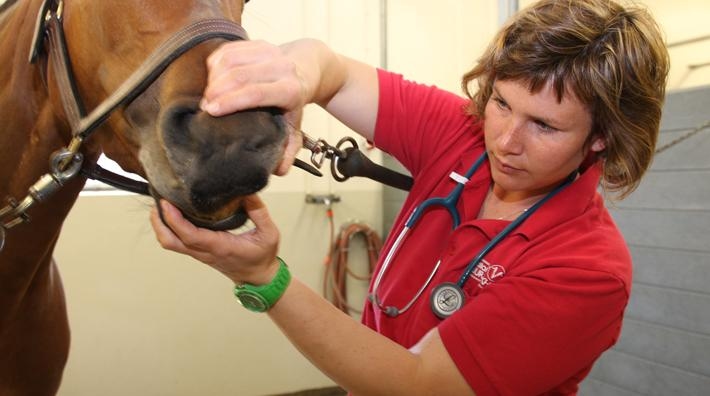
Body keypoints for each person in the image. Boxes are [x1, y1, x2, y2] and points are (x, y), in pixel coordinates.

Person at [150, 0, 669, 394]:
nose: (506, 141)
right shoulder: (462, 136)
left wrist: (265, 277)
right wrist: (296, 77)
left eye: (545, 126)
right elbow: (332, 69)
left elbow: (417, 384)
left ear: (601, 137)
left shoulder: (587, 269)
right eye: (502, 104)